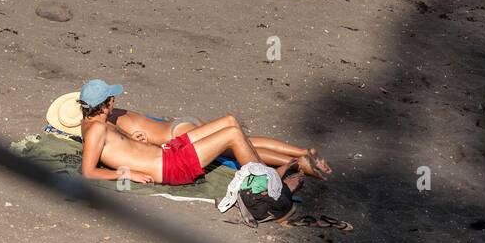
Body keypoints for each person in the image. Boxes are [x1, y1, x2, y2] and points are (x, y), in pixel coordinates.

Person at [77, 79, 330, 185]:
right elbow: (88, 172)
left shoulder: (95, 122)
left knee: (230, 122)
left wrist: (133, 140)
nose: (114, 102)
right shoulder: (97, 129)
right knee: (232, 136)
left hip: (167, 152)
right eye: (112, 99)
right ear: (105, 104)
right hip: (171, 167)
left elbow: (117, 149)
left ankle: (293, 161)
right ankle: (265, 182)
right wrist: (128, 174)